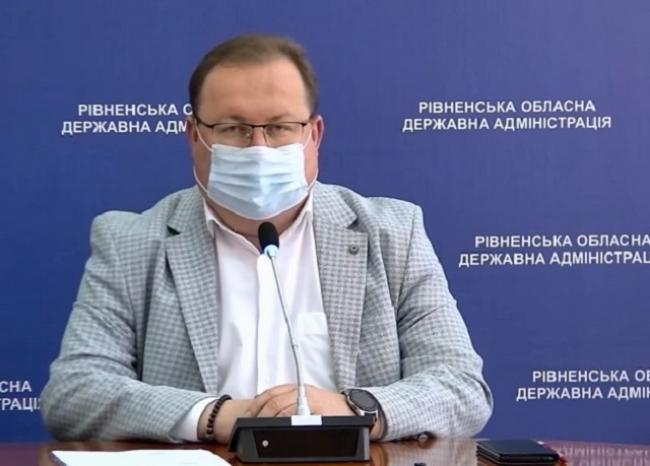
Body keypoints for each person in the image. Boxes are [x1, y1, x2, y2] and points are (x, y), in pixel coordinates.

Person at [41, 33, 492, 443]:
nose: (258, 147)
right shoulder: (130, 242)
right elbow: (74, 393)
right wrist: (217, 416)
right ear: (194, 135)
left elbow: (461, 387)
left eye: (279, 127)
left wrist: (353, 411)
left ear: (314, 135)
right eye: (233, 128)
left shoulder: (393, 234)